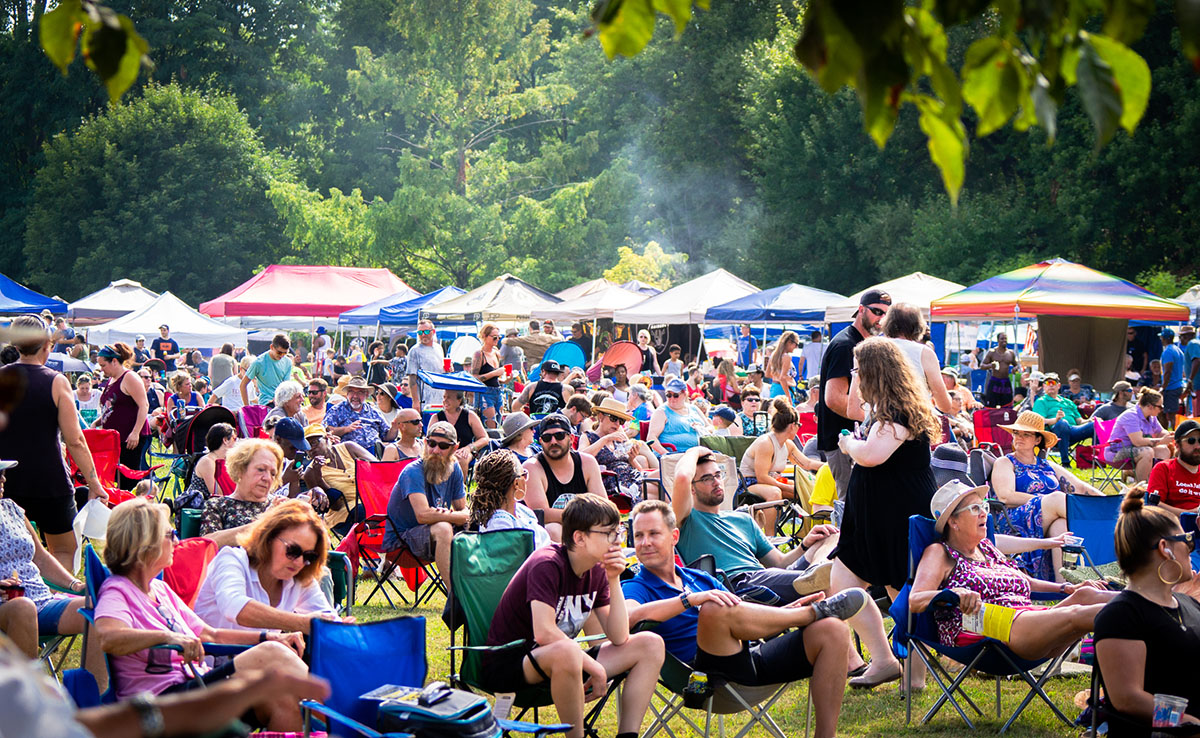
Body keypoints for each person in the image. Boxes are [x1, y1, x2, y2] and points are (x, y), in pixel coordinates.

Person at [624, 500, 865, 738]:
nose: (645, 543)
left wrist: (783, 611)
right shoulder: (637, 586)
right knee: (714, 608)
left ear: (674, 537)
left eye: (654, 533)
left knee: (832, 629)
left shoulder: (699, 578)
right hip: (703, 681)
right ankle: (807, 614)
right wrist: (690, 600)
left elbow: (739, 613)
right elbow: (629, 616)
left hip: (746, 660)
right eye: (639, 536)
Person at [93, 498, 310, 731]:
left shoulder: (160, 590)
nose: (177, 541)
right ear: (146, 543)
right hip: (162, 705)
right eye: (170, 534)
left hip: (196, 687)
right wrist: (167, 637)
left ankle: (336, 714)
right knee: (271, 654)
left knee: (280, 699)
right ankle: (342, 713)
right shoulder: (118, 591)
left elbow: (211, 636)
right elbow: (110, 638)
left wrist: (269, 637)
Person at [481, 495, 665, 738]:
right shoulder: (547, 564)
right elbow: (545, 632)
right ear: (579, 537)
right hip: (511, 665)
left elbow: (619, 636)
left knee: (651, 643)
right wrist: (595, 668)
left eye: (618, 530)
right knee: (566, 651)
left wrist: (613, 579)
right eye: (609, 533)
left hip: (562, 662)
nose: (618, 540)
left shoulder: (597, 570)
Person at [830, 336, 939, 689]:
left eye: (859, 369)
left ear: (876, 372)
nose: (853, 374)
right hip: (872, 516)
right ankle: (883, 660)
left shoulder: (898, 414)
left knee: (903, 592)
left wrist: (848, 444)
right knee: (845, 584)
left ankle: (914, 676)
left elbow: (871, 455)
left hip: (897, 517)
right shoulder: (881, 410)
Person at [911, 481, 1115, 661]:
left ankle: (1141, 601)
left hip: (1026, 622)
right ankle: (1140, 612)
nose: (984, 513)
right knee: (1078, 614)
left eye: (984, 506)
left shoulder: (987, 548)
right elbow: (916, 600)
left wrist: (1066, 588)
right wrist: (953, 593)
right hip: (985, 633)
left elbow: (1025, 581)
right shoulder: (940, 552)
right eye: (975, 508)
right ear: (953, 522)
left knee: (1086, 595)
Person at [0, 315, 106, 570]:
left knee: (6, 552)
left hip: (6, 479)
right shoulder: (56, 381)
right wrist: (94, 482)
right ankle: (54, 603)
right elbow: (75, 440)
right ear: (47, 344)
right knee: (63, 551)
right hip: (48, 480)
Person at [671, 446, 839, 604]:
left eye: (718, 474)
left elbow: (780, 562)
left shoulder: (743, 520)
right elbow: (682, 477)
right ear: (692, 489)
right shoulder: (686, 519)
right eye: (707, 478)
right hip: (740, 585)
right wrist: (697, 450)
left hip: (767, 577)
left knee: (831, 536)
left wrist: (805, 544)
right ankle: (814, 580)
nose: (716, 482)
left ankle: (814, 574)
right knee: (826, 582)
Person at [1093, 488, 1200, 735]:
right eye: (1187, 541)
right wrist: (1191, 724)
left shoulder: (1188, 606)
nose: (1191, 550)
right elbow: (1128, 699)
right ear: (1166, 548)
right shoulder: (1122, 615)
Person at [0, 459, 103, 684]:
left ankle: (92, 696)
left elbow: (41, 557)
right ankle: (31, 703)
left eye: (4, 472)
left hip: (42, 602)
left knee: (100, 604)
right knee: (23, 607)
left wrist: (74, 584)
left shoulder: (12, 509)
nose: (3, 479)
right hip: (7, 607)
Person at [194, 500, 341, 634]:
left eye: (309, 556)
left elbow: (329, 619)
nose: (299, 562)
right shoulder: (231, 560)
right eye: (292, 551)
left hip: (264, 659)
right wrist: (302, 623)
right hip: (213, 659)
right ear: (268, 538)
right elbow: (235, 607)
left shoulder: (299, 577)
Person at [991, 410, 1103, 579]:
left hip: (1050, 515)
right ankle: (1098, 527)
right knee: (1058, 498)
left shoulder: (1047, 465)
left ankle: (1063, 586)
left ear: (1037, 440)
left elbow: (1080, 488)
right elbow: (1006, 496)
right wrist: (1048, 502)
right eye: (1016, 433)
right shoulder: (1005, 462)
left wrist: (1110, 503)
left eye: (1026, 434)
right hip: (1015, 519)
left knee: (1061, 526)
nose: (1019, 437)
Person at [817, 289, 890, 519]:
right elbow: (834, 398)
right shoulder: (845, 345)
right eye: (877, 311)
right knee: (851, 506)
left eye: (886, 314)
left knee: (865, 504)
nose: (881, 318)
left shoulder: (866, 345)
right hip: (842, 439)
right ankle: (842, 553)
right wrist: (872, 420)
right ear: (861, 310)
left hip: (858, 437)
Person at [382, 421, 466, 585]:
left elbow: (464, 510)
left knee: (474, 526)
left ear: (454, 449)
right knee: (443, 528)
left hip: (429, 537)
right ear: (425, 442)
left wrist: (454, 516)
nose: (435, 450)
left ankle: (477, 587)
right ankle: (454, 597)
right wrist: (453, 516)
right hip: (401, 543)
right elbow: (422, 515)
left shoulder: (454, 468)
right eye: (432, 443)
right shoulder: (413, 471)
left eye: (443, 446)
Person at [740, 398, 824, 533]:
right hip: (748, 483)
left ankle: (810, 529)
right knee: (775, 492)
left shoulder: (788, 445)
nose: (799, 428)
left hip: (771, 481)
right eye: (799, 425)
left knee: (807, 489)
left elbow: (807, 463)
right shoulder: (765, 443)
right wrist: (786, 486)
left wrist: (829, 467)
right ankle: (770, 538)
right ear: (792, 425)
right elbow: (762, 477)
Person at [523, 414, 606, 528]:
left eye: (559, 436)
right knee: (553, 528)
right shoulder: (532, 467)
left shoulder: (587, 463)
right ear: (541, 441)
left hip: (586, 527)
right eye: (547, 438)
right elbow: (541, 514)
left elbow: (602, 505)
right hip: (552, 536)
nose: (553, 441)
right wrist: (584, 517)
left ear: (571, 438)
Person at [200, 439, 285, 548]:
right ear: (240, 469)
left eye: (273, 474)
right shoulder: (218, 506)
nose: (267, 478)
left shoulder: (279, 506)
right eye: (260, 469)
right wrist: (264, 522)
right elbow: (207, 544)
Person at [468, 449, 551, 549]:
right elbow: (513, 560)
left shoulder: (521, 510)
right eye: (524, 475)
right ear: (516, 483)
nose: (526, 480)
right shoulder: (498, 524)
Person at [880, 302, 953, 413]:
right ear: (918, 325)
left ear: (887, 323)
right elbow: (945, 405)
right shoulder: (925, 353)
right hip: (914, 422)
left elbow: (853, 410)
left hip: (874, 424)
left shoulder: (866, 351)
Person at [581, 398, 659, 500]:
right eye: (613, 418)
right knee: (661, 490)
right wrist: (605, 439)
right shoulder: (589, 437)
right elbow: (580, 457)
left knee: (664, 475)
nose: (617, 424)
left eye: (621, 421)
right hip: (616, 482)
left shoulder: (620, 438)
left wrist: (632, 459)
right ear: (601, 417)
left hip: (633, 476)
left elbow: (639, 470)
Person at [302, 425, 375, 533]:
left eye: (314, 442)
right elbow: (335, 506)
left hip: (370, 499)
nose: (311, 449)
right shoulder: (310, 472)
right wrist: (319, 478)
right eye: (307, 446)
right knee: (365, 511)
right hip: (344, 514)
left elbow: (378, 467)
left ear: (326, 438)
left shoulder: (349, 448)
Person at [96, 342, 151, 485]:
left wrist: (135, 432)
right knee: (116, 477)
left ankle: (133, 505)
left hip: (130, 437)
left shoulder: (129, 377)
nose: (101, 370)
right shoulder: (111, 380)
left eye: (103, 365)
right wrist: (98, 422)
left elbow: (144, 405)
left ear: (114, 361)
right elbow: (113, 408)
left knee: (129, 479)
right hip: (115, 437)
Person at [1106, 387, 1173, 483]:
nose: (1162, 409)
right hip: (1116, 453)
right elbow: (1138, 442)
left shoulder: (1151, 416)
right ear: (1150, 406)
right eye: (1160, 406)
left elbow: (1160, 431)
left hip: (1134, 450)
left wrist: (1170, 435)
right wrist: (1162, 440)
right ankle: (1140, 488)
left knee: (1164, 450)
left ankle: (1154, 482)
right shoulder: (1131, 416)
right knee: (1147, 452)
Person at [324, 376, 401, 451]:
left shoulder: (374, 412)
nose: (355, 396)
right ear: (347, 394)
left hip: (374, 452)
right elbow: (326, 431)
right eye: (351, 392)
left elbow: (387, 437)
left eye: (360, 392)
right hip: (349, 455)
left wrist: (394, 428)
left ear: (366, 395)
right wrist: (346, 429)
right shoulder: (336, 410)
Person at [1032, 372, 1094, 464]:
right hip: (1054, 434)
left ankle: (1095, 460)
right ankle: (1065, 462)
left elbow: (1079, 421)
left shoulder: (1068, 401)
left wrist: (1090, 420)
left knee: (1095, 425)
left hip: (1074, 431)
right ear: (1044, 386)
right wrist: (1055, 420)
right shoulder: (1041, 401)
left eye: (1053, 383)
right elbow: (1039, 421)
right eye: (1048, 383)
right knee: (1062, 423)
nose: (1051, 386)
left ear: (1059, 386)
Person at [177, 423, 237, 510]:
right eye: (234, 438)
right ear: (225, 440)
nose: (236, 442)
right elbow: (215, 493)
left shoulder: (224, 460)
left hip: (218, 503)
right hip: (202, 506)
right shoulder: (207, 462)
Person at [1147, 419, 1200, 515]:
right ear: (1177, 445)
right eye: (1191, 441)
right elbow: (1154, 505)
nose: (1197, 446)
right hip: (1173, 526)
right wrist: (1189, 514)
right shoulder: (1164, 469)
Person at [647, 377, 711, 454]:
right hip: (674, 455)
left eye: (676, 395)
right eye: (668, 395)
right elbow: (651, 438)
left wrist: (702, 428)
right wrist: (668, 455)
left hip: (698, 453)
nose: (671, 398)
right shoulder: (661, 412)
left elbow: (710, 427)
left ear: (685, 394)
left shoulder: (693, 408)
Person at [434, 389, 489, 476]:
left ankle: (460, 487)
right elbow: (429, 438)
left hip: (463, 452)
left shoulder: (470, 415)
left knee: (461, 459)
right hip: (441, 450)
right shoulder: (436, 417)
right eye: (444, 397)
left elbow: (484, 438)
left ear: (459, 400)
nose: (445, 400)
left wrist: (469, 448)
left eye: (449, 398)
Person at [469, 323, 506, 428]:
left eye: (499, 336)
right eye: (494, 337)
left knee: (499, 424)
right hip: (484, 393)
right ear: (484, 336)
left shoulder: (496, 353)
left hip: (497, 391)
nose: (497, 339)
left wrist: (506, 379)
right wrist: (495, 373)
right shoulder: (479, 354)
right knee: (490, 426)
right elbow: (473, 378)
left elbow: (496, 378)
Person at [241, 334, 292, 407]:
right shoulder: (258, 362)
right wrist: (247, 407)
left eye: (285, 353)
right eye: (279, 352)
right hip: (266, 404)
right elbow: (243, 384)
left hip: (281, 402)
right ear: (272, 347)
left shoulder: (288, 362)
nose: (282, 355)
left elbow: (286, 386)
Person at [406, 319, 445, 411]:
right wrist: (415, 401)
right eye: (420, 332)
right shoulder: (414, 351)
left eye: (426, 331)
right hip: (424, 400)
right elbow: (412, 379)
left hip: (440, 398)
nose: (423, 334)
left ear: (433, 332)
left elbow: (441, 371)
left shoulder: (439, 348)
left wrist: (448, 370)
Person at [980, 332, 1018, 408]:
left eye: (1005, 339)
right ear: (998, 340)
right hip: (995, 381)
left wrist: (1015, 369)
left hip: (1006, 381)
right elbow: (982, 366)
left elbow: (1017, 365)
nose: (1004, 340)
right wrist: (991, 365)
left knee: (1007, 404)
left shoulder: (1010, 353)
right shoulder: (992, 352)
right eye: (1002, 339)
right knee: (991, 404)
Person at [1160, 328, 1186, 429]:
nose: (1161, 339)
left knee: (1169, 415)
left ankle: (1172, 436)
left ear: (1165, 338)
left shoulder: (1168, 352)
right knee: (1171, 414)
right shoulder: (1178, 350)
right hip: (1177, 385)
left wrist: (1163, 387)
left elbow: (1168, 371)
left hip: (1171, 387)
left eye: (1161, 337)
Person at [764, 331, 799, 399]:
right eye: (796, 344)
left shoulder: (774, 355)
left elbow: (767, 374)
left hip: (775, 387)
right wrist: (788, 395)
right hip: (784, 390)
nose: (796, 347)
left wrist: (777, 376)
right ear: (789, 342)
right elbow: (782, 378)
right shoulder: (786, 357)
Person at [1184, 324, 1200, 414]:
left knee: (1198, 415)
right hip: (1197, 385)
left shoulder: (1193, 344)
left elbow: (1197, 360)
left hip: (1198, 385)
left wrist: (1190, 380)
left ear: (1186, 336)